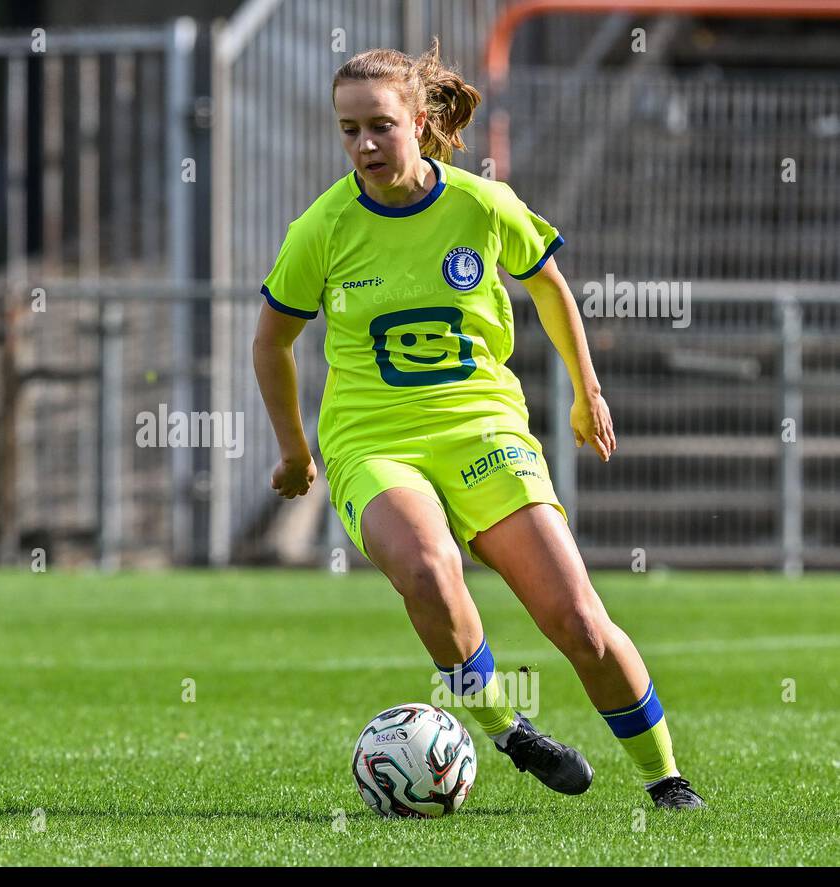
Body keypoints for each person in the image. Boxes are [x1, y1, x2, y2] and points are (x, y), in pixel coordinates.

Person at [252, 43, 705, 810]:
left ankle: (666, 780)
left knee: (580, 624)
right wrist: (297, 451)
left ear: (420, 122)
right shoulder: (322, 228)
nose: (363, 145)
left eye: (380, 127)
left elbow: (551, 286)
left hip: (485, 431)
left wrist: (584, 391)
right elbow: (271, 341)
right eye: (349, 130)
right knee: (429, 571)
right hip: (374, 442)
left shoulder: (482, 205)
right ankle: (506, 729)